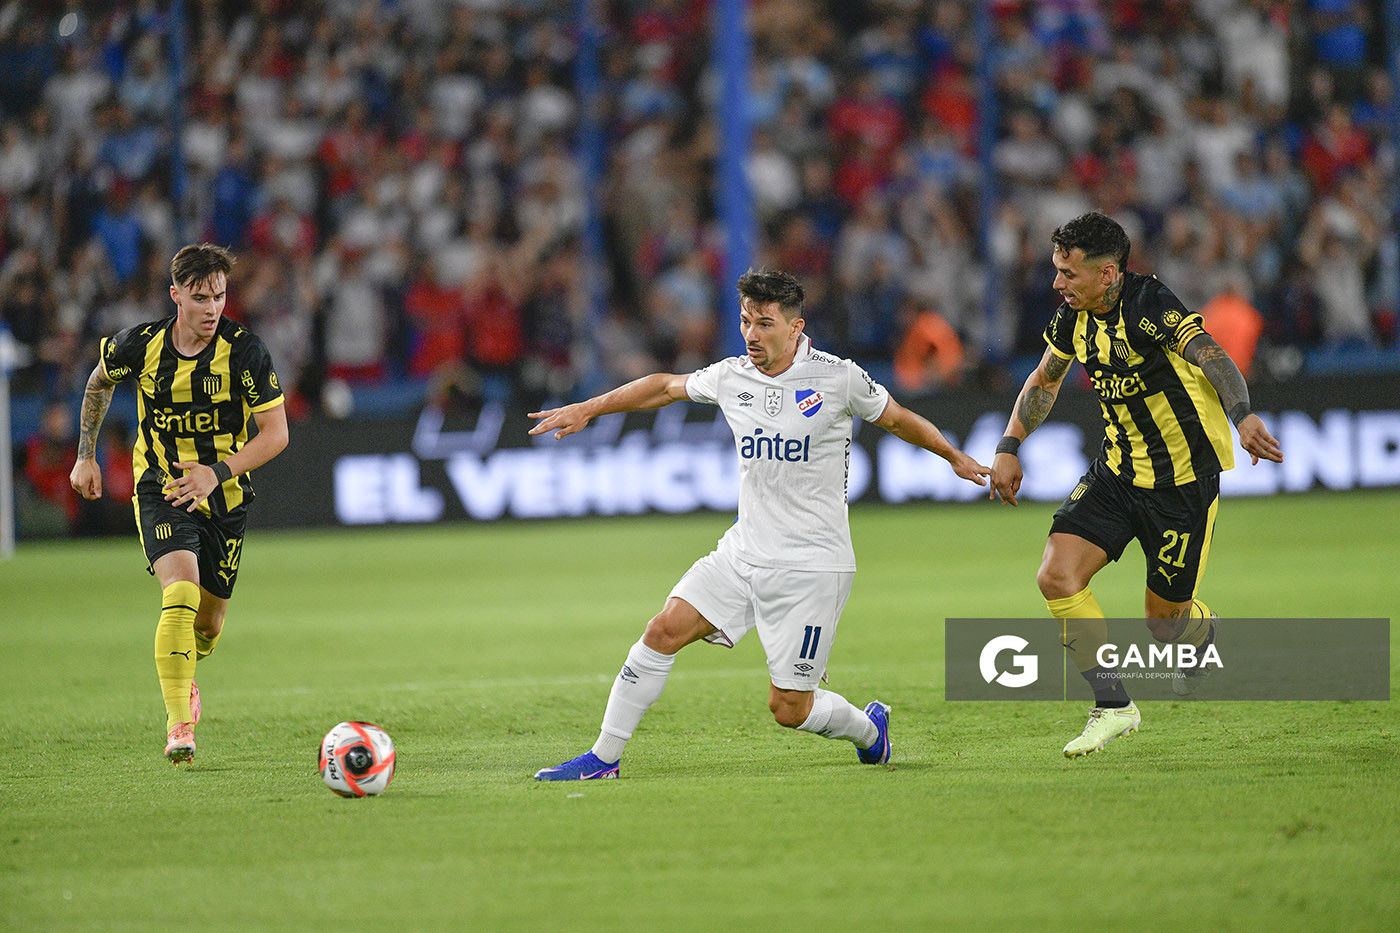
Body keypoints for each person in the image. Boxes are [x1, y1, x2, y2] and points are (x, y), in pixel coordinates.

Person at [529, 269, 990, 780]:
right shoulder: (731, 376)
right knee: (662, 630)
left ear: (795, 328)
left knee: (789, 708)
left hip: (812, 566)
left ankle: (869, 731)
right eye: (746, 321)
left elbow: (898, 418)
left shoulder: (838, 378)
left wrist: (953, 455)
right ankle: (603, 759)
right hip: (743, 551)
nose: (751, 334)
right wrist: (589, 408)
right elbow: (663, 387)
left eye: (765, 324)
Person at [988, 212, 1283, 758]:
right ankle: (1113, 704)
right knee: (1056, 575)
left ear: (1107, 274)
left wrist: (1242, 415)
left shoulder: (1150, 304)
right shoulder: (1072, 318)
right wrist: (1009, 444)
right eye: (1056, 270)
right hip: (1116, 474)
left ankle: (1201, 630)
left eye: (1068, 273)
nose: (1056, 283)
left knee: (1165, 627)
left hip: (1182, 485)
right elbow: (1045, 379)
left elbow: (1211, 355)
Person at [69, 244, 289, 765]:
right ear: (175, 296)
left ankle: (186, 670)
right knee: (181, 589)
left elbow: (276, 434)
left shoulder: (245, 351)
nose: (212, 308)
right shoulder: (140, 344)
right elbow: (98, 381)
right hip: (162, 488)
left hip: (224, 494)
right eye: (200, 298)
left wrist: (216, 473)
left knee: (208, 626)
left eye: (219, 296)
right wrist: (85, 456)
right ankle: (178, 725)